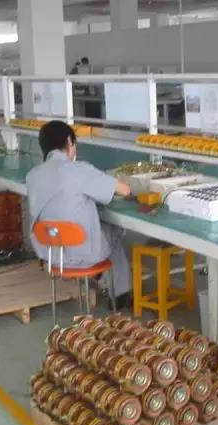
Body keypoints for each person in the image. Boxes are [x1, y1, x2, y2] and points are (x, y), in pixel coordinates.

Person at [26, 120, 132, 308]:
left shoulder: (32, 175)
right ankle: (119, 295)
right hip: (83, 254)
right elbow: (125, 190)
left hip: (51, 254)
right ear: (69, 141)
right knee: (115, 230)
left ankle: (101, 278)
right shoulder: (79, 169)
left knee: (93, 228)